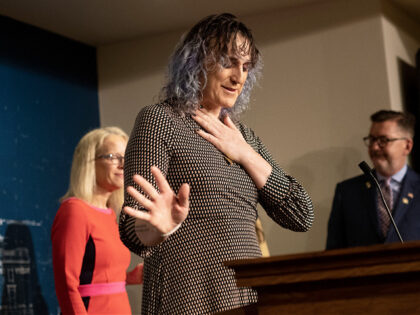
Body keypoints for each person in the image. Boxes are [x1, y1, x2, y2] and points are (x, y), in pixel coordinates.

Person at [119, 13, 314, 314]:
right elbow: (132, 226)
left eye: (246, 67)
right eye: (228, 62)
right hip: (186, 295)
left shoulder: (244, 136)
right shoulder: (161, 120)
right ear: (194, 62)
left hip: (247, 297)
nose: (239, 77)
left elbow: (301, 215)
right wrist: (155, 229)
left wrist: (245, 153)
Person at [51, 127, 143, 314]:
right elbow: (67, 285)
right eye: (113, 157)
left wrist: (128, 278)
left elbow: (95, 275)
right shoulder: (74, 211)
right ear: (89, 163)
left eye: (126, 157)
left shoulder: (109, 214)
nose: (123, 165)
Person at [326, 110, 420, 250]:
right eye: (372, 140)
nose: (375, 147)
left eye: (383, 140)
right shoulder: (347, 192)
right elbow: (334, 251)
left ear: (407, 146)